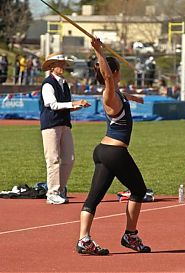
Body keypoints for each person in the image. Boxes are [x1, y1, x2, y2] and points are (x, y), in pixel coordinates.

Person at [76, 38, 151, 255]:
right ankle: (130, 235)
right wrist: (98, 51)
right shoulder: (109, 94)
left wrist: (136, 98)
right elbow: (107, 77)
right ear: (114, 71)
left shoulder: (117, 95)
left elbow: (123, 94)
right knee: (139, 190)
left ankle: (84, 240)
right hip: (115, 152)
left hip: (104, 151)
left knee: (94, 198)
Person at [40, 52, 91, 205]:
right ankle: (52, 193)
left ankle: (60, 189)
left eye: (63, 63)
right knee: (53, 159)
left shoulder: (64, 84)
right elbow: (52, 105)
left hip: (64, 124)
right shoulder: (48, 84)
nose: (62, 66)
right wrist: (73, 104)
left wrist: (78, 106)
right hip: (51, 125)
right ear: (51, 67)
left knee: (69, 159)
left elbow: (64, 107)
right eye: (59, 64)